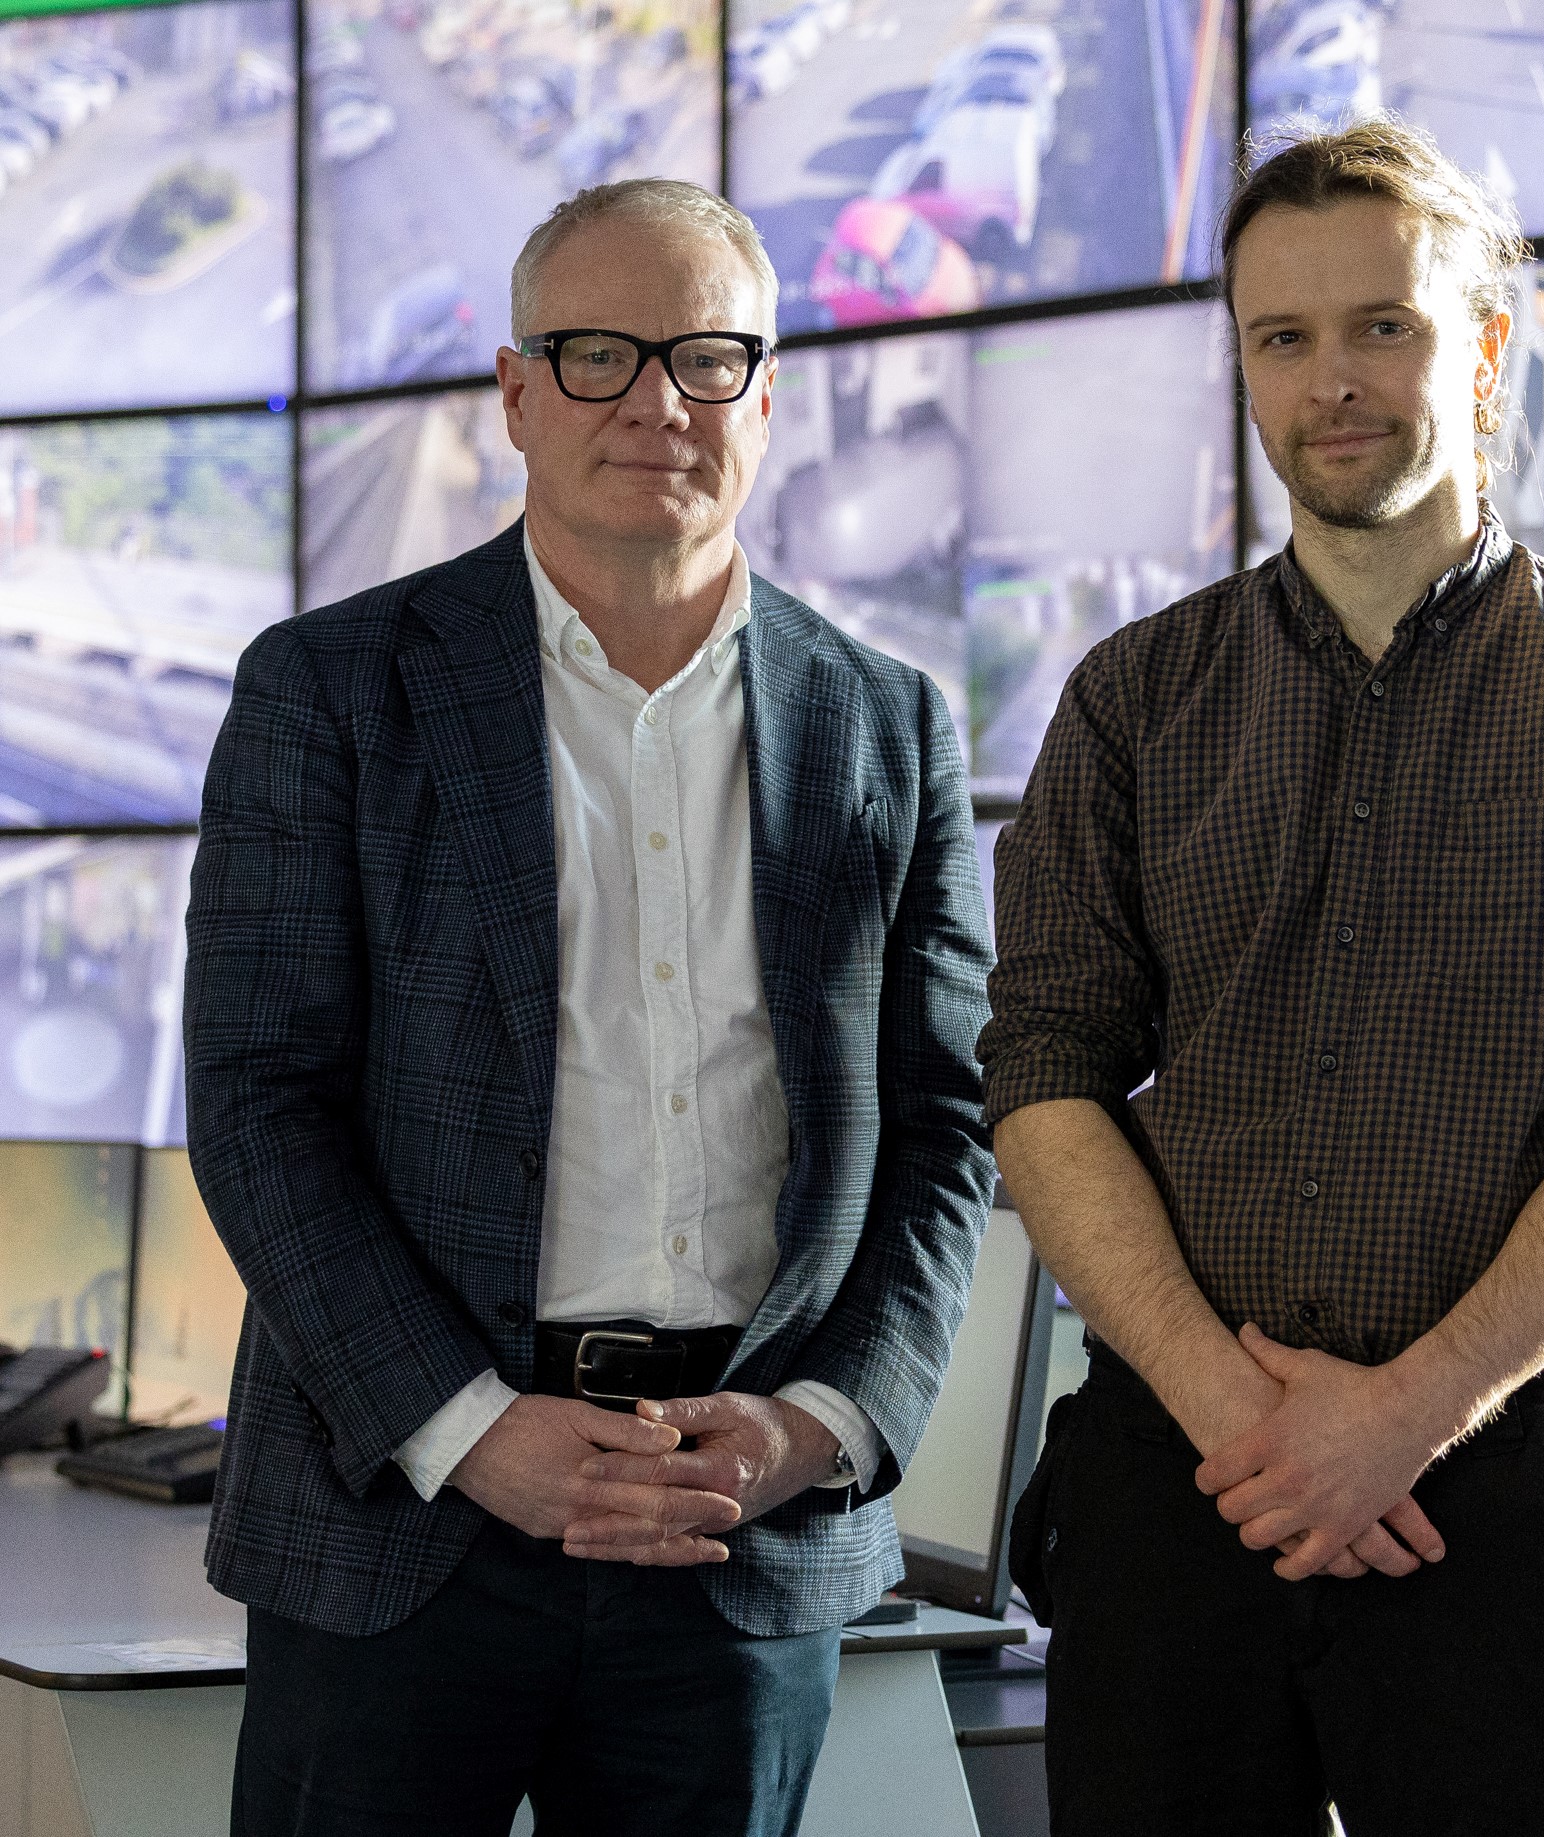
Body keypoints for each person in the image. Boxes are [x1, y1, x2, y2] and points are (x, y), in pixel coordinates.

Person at [981, 119, 1544, 1835]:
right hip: (1179, 1485)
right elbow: (1042, 1073)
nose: (1332, 381)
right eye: (1285, 338)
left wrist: (1402, 1417)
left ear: (1482, 347)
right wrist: (1241, 1415)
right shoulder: (1131, 701)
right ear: (1248, 371)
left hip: (1494, 1492)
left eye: (1382, 326)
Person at [185, 179, 993, 1837]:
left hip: (738, 1527)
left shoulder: (892, 727)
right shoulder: (329, 690)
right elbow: (261, 1103)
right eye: (598, 353)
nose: (654, 400)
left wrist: (818, 1423)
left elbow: (949, 1130)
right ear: (513, 391)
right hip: (408, 1521)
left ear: (768, 397)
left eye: (707, 358)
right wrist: (473, 1430)